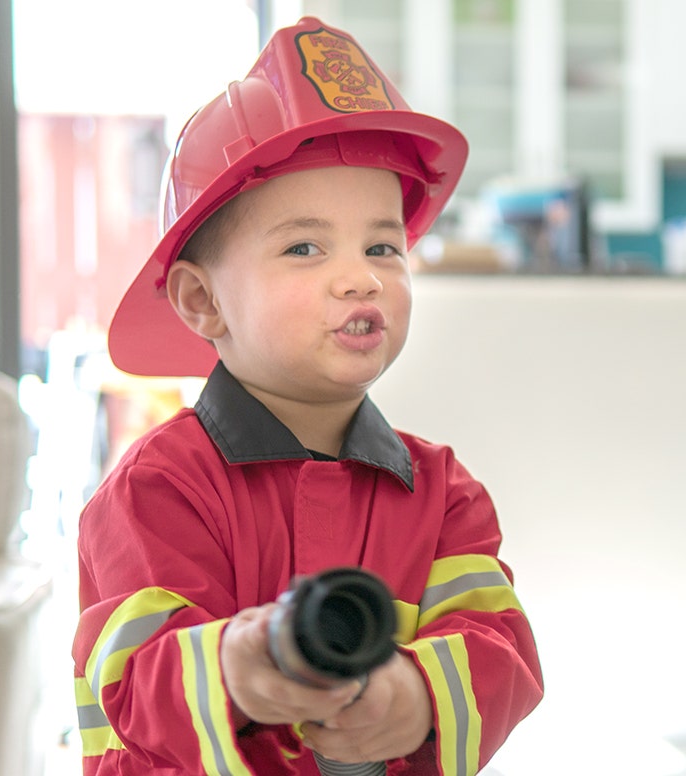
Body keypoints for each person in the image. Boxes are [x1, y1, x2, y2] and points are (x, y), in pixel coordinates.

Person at [72, 16, 543, 776]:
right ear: (201, 303)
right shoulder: (155, 488)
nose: (360, 278)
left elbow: (502, 650)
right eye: (304, 248)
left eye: (382, 247)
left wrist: (420, 697)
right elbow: (133, 677)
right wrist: (237, 665)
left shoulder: (445, 494)